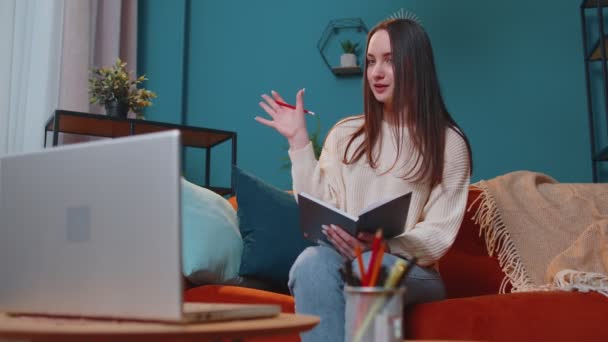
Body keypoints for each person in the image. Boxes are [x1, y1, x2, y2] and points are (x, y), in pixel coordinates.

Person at [255, 18, 473, 342]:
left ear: (416, 65)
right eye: (371, 62)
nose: (376, 72)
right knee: (310, 263)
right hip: (347, 257)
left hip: (413, 270)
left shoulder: (448, 142)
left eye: (389, 60)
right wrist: (299, 142)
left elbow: (439, 232)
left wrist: (386, 245)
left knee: (370, 266)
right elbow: (317, 205)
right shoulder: (345, 134)